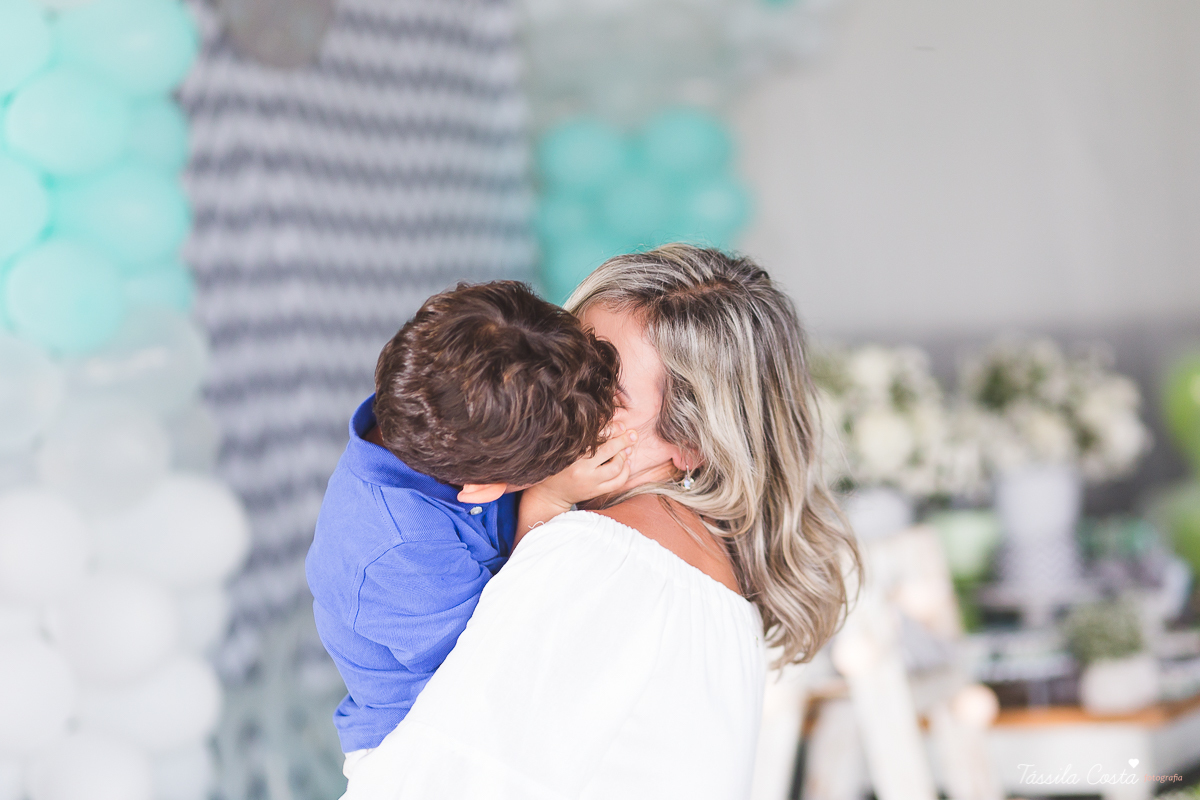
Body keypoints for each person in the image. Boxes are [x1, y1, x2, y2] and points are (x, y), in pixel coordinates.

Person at [341, 245, 860, 800]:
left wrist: (544, 500)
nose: (558, 396)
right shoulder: (700, 575)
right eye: (563, 358)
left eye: (602, 389)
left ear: (691, 442)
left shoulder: (600, 556)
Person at [305, 280, 638, 770]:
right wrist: (547, 499)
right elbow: (492, 663)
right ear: (482, 489)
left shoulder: (442, 404)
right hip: (427, 752)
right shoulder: (398, 545)